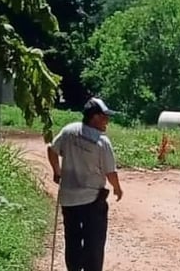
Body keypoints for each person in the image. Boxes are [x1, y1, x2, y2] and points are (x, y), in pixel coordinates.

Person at [46, 97, 123, 271]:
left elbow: (52, 149)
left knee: (72, 239)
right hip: (92, 200)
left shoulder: (69, 131)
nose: (107, 121)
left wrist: (57, 172)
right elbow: (111, 173)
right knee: (94, 243)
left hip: (68, 198)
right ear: (94, 117)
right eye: (104, 117)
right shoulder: (102, 142)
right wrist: (117, 189)